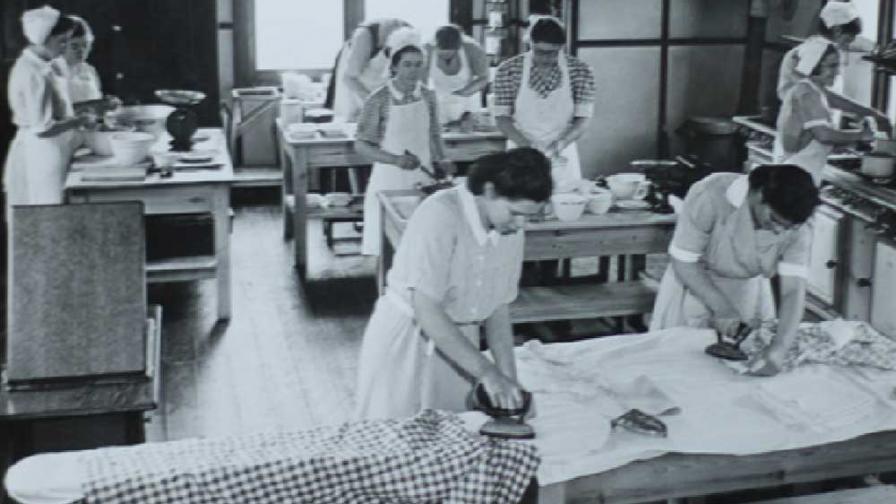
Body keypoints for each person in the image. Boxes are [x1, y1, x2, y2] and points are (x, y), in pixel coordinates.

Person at [354, 147, 553, 420]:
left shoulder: (508, 229)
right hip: (409, 338)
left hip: (460, 345)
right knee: (396, 429)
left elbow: (498, 308)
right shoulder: (440, 214)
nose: (521, 224)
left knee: (454, 430)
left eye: (529, 217)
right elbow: (427, 308)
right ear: (489, 191)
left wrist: (510, 382)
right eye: (515, 213)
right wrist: (487, 372)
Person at [650, 165, 820, 376]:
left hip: (747, 289)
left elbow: (793, 290)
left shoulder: (799, 223)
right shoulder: (710, 195)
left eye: (788, 228)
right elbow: (684, 261)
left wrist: (779, 349)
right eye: (774, 220)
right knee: (679, 370)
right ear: (760, 195)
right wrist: (722, 308)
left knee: (732, 377)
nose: (779, 231)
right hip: (694, 282)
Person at [355, 29, 454, 257]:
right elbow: (361, 145)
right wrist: (396, 159)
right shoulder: (378, 99)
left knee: (422, 245)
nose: (413, 70)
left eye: (418, 65)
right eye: (407, 65)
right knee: (389, 247)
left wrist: (442, 159)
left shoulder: (428, 96)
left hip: (424, 178)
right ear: (394, 67)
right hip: (389, 179)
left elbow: (434, 134)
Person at [492, 17, 595, 189]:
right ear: (530, 43)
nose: (545, 58)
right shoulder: (508, 70)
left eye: (552, 53)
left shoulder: (580, 71)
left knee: (565, 198)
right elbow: (502, 118)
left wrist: (561, 143)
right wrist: (528, 147)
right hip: (521, 149)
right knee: (521, 197)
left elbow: (583, 119)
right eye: (539, 52)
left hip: (562, 151)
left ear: (562, 46)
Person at [4, 6, 86, 208]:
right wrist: (80, 121)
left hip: (53, 146)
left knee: (53, 205)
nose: (65, 48)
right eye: (62, 41)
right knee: (47, 206)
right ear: (43, 39)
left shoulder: (43, 65)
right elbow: (43, 129)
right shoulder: (33, 73)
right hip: (43, 151)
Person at [777, 1, 891, 135]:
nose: (851, 41)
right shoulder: (818, 50)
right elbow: (818, 94)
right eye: (850, 36)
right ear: (837, 30)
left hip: (808, 126)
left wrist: (855, 112)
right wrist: (870, 112)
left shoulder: (818, 46)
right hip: (806, 131)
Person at [775, 38, 875, 185]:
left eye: (838, 66)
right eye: (832, 66)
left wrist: (850, 140)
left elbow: (813, 138)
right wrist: (862, 135)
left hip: (797, 174)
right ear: (814, 66)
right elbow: (824, 135)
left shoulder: (810, 90)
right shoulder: (807, 93)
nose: (838, 72)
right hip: (795, 177)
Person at [329, 18, 411, 122]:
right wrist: (374, 104)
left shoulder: (411, 39)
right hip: (354, 83)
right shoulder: (364, 37)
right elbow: (349, 78)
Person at [423, 25, 489, 126]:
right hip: (440, 103)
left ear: (458, 47)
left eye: (450, 54)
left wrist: (462, 93)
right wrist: (427, 101)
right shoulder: (426, 50)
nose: (445, 56)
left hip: (468, 102)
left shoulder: (473, 49)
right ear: (435, 46)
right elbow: (421, 81)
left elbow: (483, 78)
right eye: (441, 54)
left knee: (468, 132)